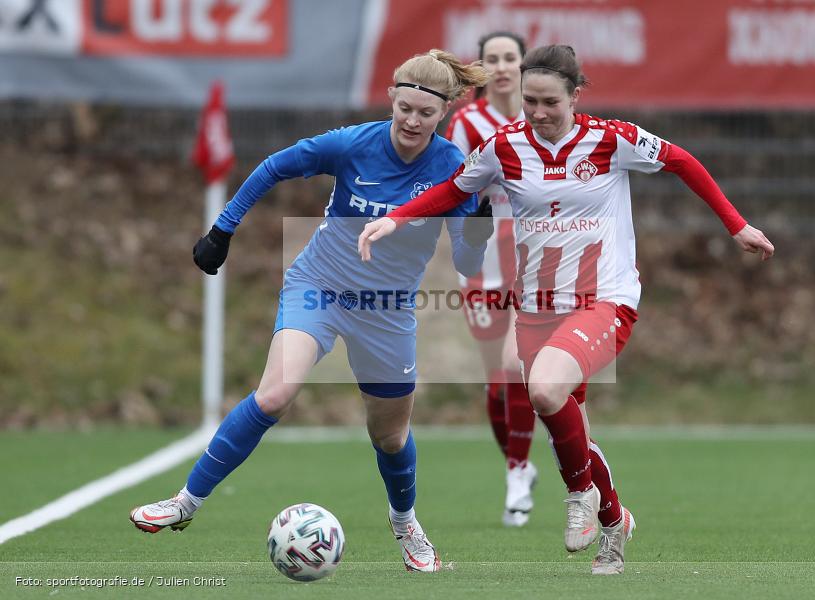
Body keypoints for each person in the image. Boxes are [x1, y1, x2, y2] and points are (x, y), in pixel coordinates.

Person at [358, 45, 775, 575]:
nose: (538, 112)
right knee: (569, 426)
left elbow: (682, 162)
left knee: (544, 390)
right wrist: (394, 218)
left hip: (605, 299)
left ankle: (579, 496)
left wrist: (736, 224)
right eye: (529, 101)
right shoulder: (503, 147)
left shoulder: (611, 139)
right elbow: (450, 191)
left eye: (550, 102)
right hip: (536, 308)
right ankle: (614, 522)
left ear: (575, 96)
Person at [129, 49, 492, 574]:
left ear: (444, 113)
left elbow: (465, 262)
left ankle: (405, 522)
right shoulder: (353, 144)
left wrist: (477, 227)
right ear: (391, 98)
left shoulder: (452, 169)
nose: (412, 121)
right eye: (405, 108)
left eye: (425, 113)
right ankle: (185, 502)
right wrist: (222, 230)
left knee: (390, 437)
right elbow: (274, 166)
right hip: (319, 286)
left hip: (387, 310)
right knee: (274, 394)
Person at [445, 31, 538, 528]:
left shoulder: (543, 115)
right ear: (480, 69)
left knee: (514, 365)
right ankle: (517, 464)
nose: (501, 67)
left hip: (534, 260)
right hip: (483, 265)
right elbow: (453, 187)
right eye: (491, 59)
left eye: (509, 58)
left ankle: (517, 473)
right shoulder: (466, 123)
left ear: (524, 64)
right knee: (497, 382)